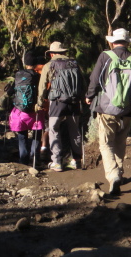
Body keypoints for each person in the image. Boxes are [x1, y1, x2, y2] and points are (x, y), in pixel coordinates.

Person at [86, 28, 131, 195]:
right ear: (128, 42)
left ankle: (113, 174)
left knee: (106, 143)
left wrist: (89, 96)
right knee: (120, 141)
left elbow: (94, 79)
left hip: (107, 108)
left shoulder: (105, 56)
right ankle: (119, 173)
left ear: (112, 41)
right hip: (128, 108)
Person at [35, 41, 84, 172]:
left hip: (57, 102)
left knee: (53, 129)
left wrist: (40, 102)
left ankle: (56, 162)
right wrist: (83, 100)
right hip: (74, 102)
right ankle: (77, 161)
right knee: (75, 130)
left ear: (51, 54)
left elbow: (42, 86)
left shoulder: (49, 65)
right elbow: (83, 83)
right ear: (64, 52)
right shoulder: (75, 64)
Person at [6, 52, 45, 166]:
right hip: (35, 111)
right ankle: (34, 158)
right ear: (35, 64)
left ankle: (23, 160)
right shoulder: (38, 76)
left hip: (20, 110)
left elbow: (10, 92)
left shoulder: (18, 75)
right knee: (37, 135)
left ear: (25, 62)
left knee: (22, 137)